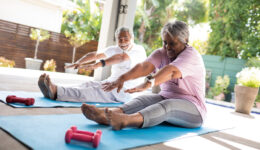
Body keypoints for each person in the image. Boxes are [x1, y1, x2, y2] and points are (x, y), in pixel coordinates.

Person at [81, 20, 207, 130]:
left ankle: (125, 121)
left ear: (185, 41)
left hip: (194, 109)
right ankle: (106, 115)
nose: (167, 47)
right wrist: (121, 79)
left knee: (167, 106)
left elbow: (171, 71)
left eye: (172, 43)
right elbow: (144, 67)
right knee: (142, 99)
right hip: (166, 97)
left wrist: (148, 83)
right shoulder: (162, 52)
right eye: (165, 42)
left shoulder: (191, 56)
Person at [38, 27, 147, 103]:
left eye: (126, 39)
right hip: (110, 83)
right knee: (88, 84)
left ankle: (57, 92)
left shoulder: (139, 50)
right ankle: (56, 89)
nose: (123, 42)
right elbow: (95, 55)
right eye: (120, 39)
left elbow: (122, 57)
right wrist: (79, 62)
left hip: (124, 91)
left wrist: (98, 65)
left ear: (132, 38)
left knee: (92, 92)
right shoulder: (115, 49)